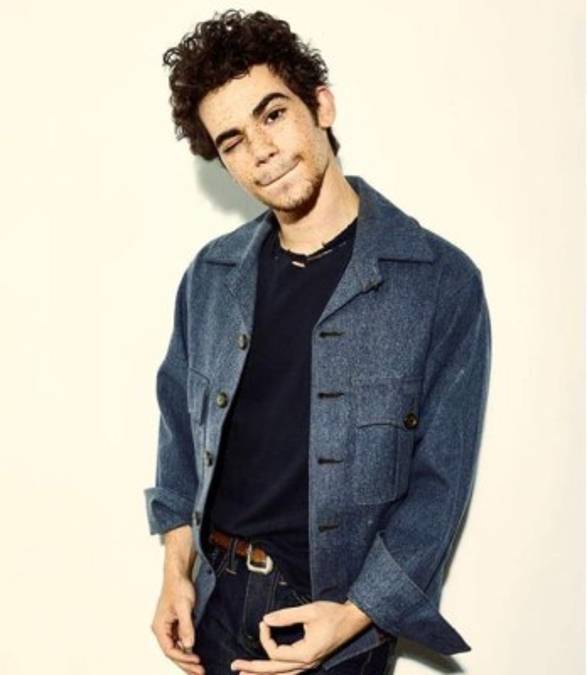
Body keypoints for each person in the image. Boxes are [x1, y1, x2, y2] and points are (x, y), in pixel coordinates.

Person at [143, 9, 492, 675]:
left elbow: (439, 484)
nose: (261, 151)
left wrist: (353, 617)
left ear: (321, 106)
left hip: (336, 625)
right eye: (232, 141)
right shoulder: (211, 276)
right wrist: (174, 571)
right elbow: (178, 431)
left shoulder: (438, 281)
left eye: (273, 115)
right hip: (215, 603)